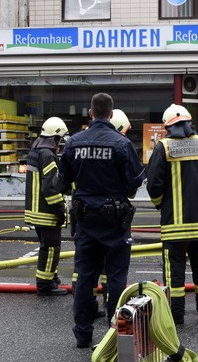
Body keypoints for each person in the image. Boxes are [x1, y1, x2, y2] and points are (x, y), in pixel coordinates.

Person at [60, 93, 144, 348]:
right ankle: (115, 336)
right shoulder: (121, 143)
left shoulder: (73, 143)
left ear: (90, 113)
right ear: (111, 113)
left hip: (85, 219)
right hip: (115, 220)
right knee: (117, 278)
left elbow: (63, 183)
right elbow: (134, 183)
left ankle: (83, 335)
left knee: (85, 277)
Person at [146, 104, 198, 324]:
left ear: (167, 126)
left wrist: (163, 206)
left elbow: (153, 186)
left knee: (175, 275)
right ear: (189, 123)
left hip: (175, 227)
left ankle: (176, 316)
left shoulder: (164, 147)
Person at [24, 116, 70, 296]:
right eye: (60, 140)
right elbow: (50, 187)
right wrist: (60, 211)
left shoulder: (35, 152)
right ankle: (45, 285)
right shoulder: (48, 155)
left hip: (35, 211)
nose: (60, 145)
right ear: (55, 138)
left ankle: (51, 278)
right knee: (51, 248)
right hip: (46, 212)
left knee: (46, 247)